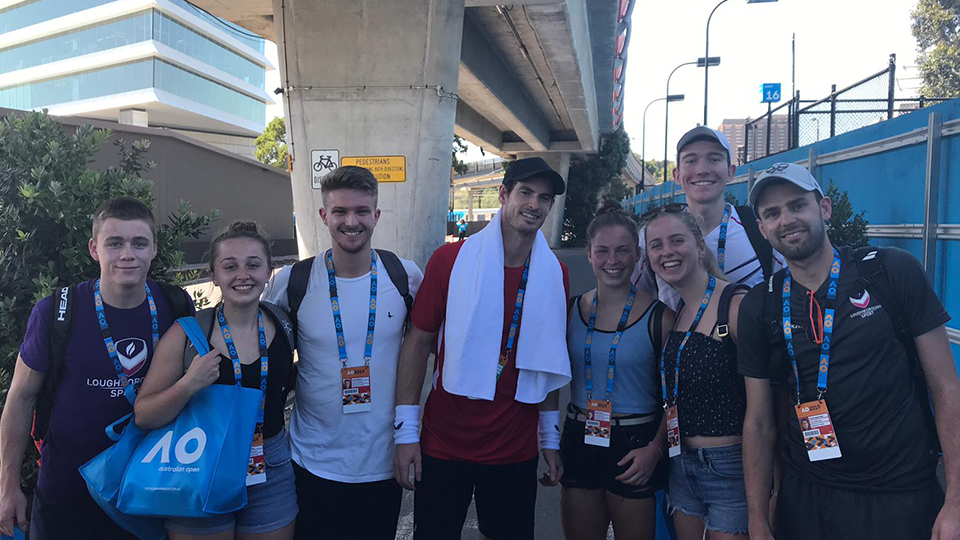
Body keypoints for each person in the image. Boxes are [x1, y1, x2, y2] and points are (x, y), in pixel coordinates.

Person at [739, 163, 960, 540]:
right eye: (772, 213)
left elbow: (946, 389)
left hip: (899, 495)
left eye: (797, 205)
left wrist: (955, 501)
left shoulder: (890, 272)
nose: (786, 220)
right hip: (807, 496)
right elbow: (759, 422)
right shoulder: (762, 303)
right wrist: (757, 518)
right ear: (761, 228)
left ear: (824, 208)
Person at [394, 156, 571, 540]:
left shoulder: (554, 272)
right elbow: (417, 342)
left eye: (544, 198)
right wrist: (406, 433)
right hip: (445, 443)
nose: (534, 205)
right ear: (504, 194)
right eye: (525, 192)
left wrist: (549, 440)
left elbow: (549, 358)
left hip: (515, 448)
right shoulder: (449, 261)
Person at [0, 197, 193, 540]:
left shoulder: (175, 305)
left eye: (139, 243)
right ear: (94, 248)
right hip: (65, 491)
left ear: (154, 249)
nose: (127, 254)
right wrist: (8, 485)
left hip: (145, 491)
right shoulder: (55, 312)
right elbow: (20, 397)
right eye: (114, 243)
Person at [262, 166, 423, 540]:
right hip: (311, 462)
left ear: (376, 215)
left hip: (382, 463)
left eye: (362, 211)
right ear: (324, 216)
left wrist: (410, 434)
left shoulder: (406, 276)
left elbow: (427, 349)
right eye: (340, 212)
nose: (352, 221)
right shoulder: (292, 282)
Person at [135, 221, 297, 539]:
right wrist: (188, 384)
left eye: (253, 265)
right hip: (201, 465)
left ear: (269, 272)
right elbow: (144, 415)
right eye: (230, 266)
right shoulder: (187, 334)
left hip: (270, 464)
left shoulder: (284, 324)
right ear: (214, 275)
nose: (242, 275)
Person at [560, 201, 674, 540]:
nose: (613, 261)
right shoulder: (568, 311)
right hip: (579, 436)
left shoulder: (662, 318)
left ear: (638, 256)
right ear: (590, 255)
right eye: (603, 251)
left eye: (623, 251)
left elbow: (679, 397)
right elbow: (547, 380)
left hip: (636, 443)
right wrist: (547, 439)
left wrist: (656, 449)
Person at [645, 205, 750, 539]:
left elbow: (769, 404)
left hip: (732, 469)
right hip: (681, 465)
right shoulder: (676, 311)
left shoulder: (735, 305)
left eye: (677, 240)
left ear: (700, 247)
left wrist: (772, 489)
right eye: (656, 245)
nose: (666, 252)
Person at [637, 127, 782, 309]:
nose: (702, 170)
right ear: (677, 175)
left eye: (714, 159)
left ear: (730, 171)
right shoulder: (650, 237)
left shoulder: (760, 229)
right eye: (691, 160)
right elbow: (635, 303)